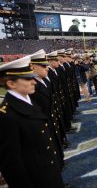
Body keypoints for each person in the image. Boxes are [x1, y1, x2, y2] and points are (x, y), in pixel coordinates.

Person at [0, 56, 64, 188]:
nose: (34, 82)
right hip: (37, 179)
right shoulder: (6, 116)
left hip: (49, 170)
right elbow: (11, 165)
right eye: (28, 78)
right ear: (11, 84)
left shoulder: (28, 101)